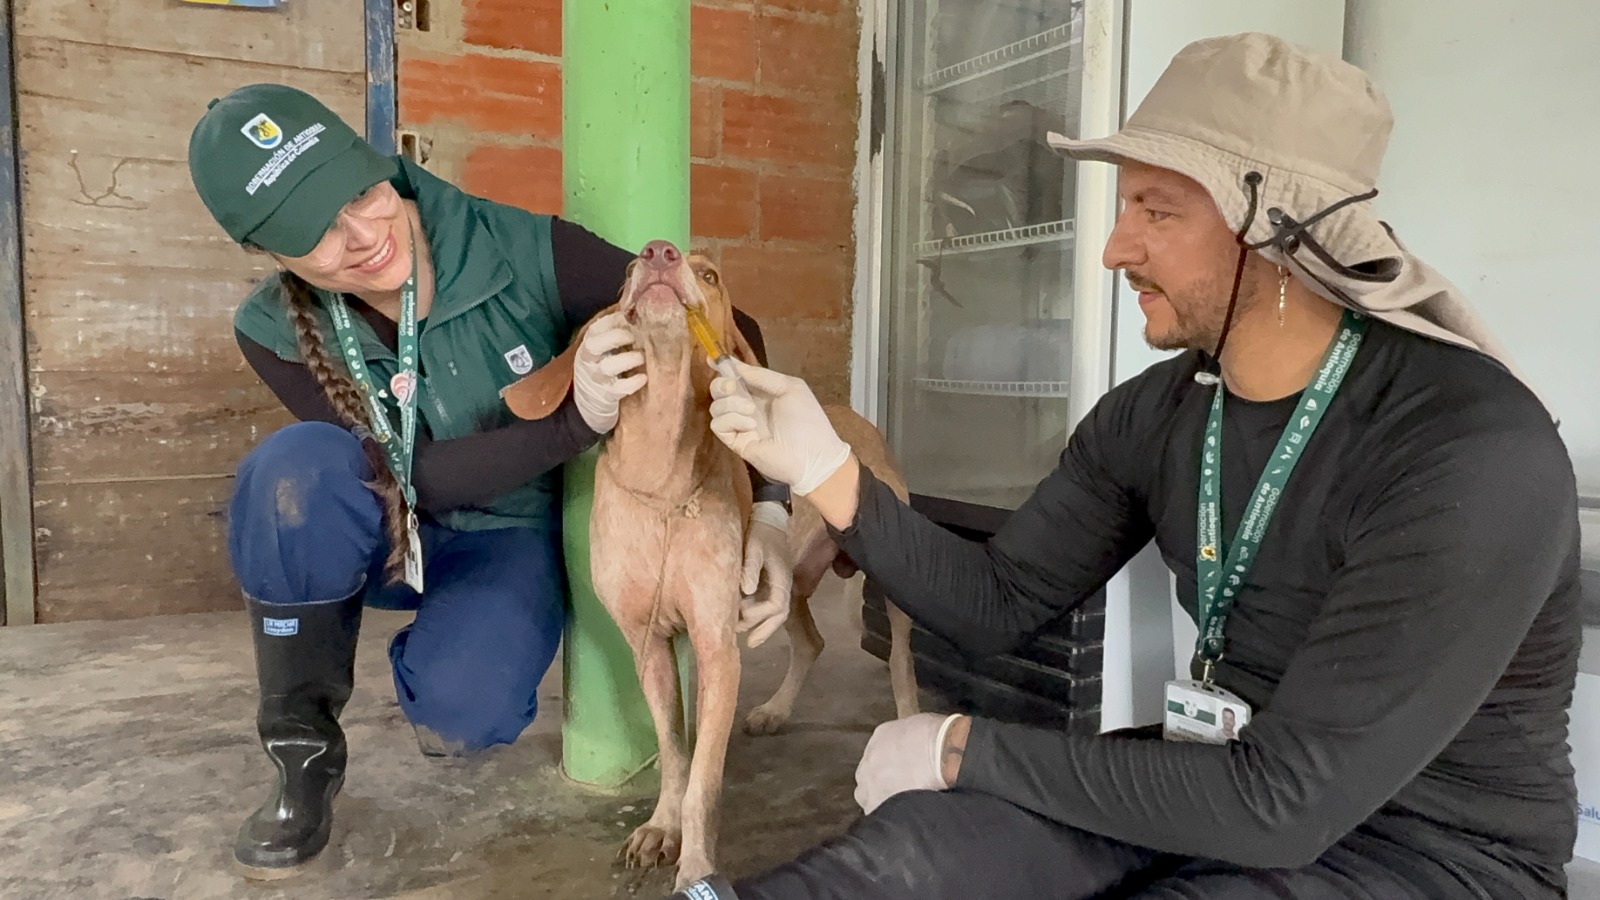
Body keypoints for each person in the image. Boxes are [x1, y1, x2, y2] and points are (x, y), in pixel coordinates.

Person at [672, 33, 1582, 900]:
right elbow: (997, 603)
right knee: (919, 852)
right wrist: (826, 470)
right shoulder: (1164, 411)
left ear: (1274, 230)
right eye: (1124, 207)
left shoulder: (1467, 449)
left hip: (1430, 848)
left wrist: (962, 747)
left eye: (1157, 210)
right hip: (1221, 777)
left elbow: (1290, 803)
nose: (1115, 247)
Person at [185, 84, 795, 876]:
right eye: (318, 234)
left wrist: (773, 507)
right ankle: (302, 756)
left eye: (362, 193)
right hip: (387, 520)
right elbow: (400, 478)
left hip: (503, 529)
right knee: (290, 476)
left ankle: (442, 651)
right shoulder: (269, 330)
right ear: (269, 255)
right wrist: (575, 420)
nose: (364, 235)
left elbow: (730, 326)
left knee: (465, 707)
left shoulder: (514, 245)